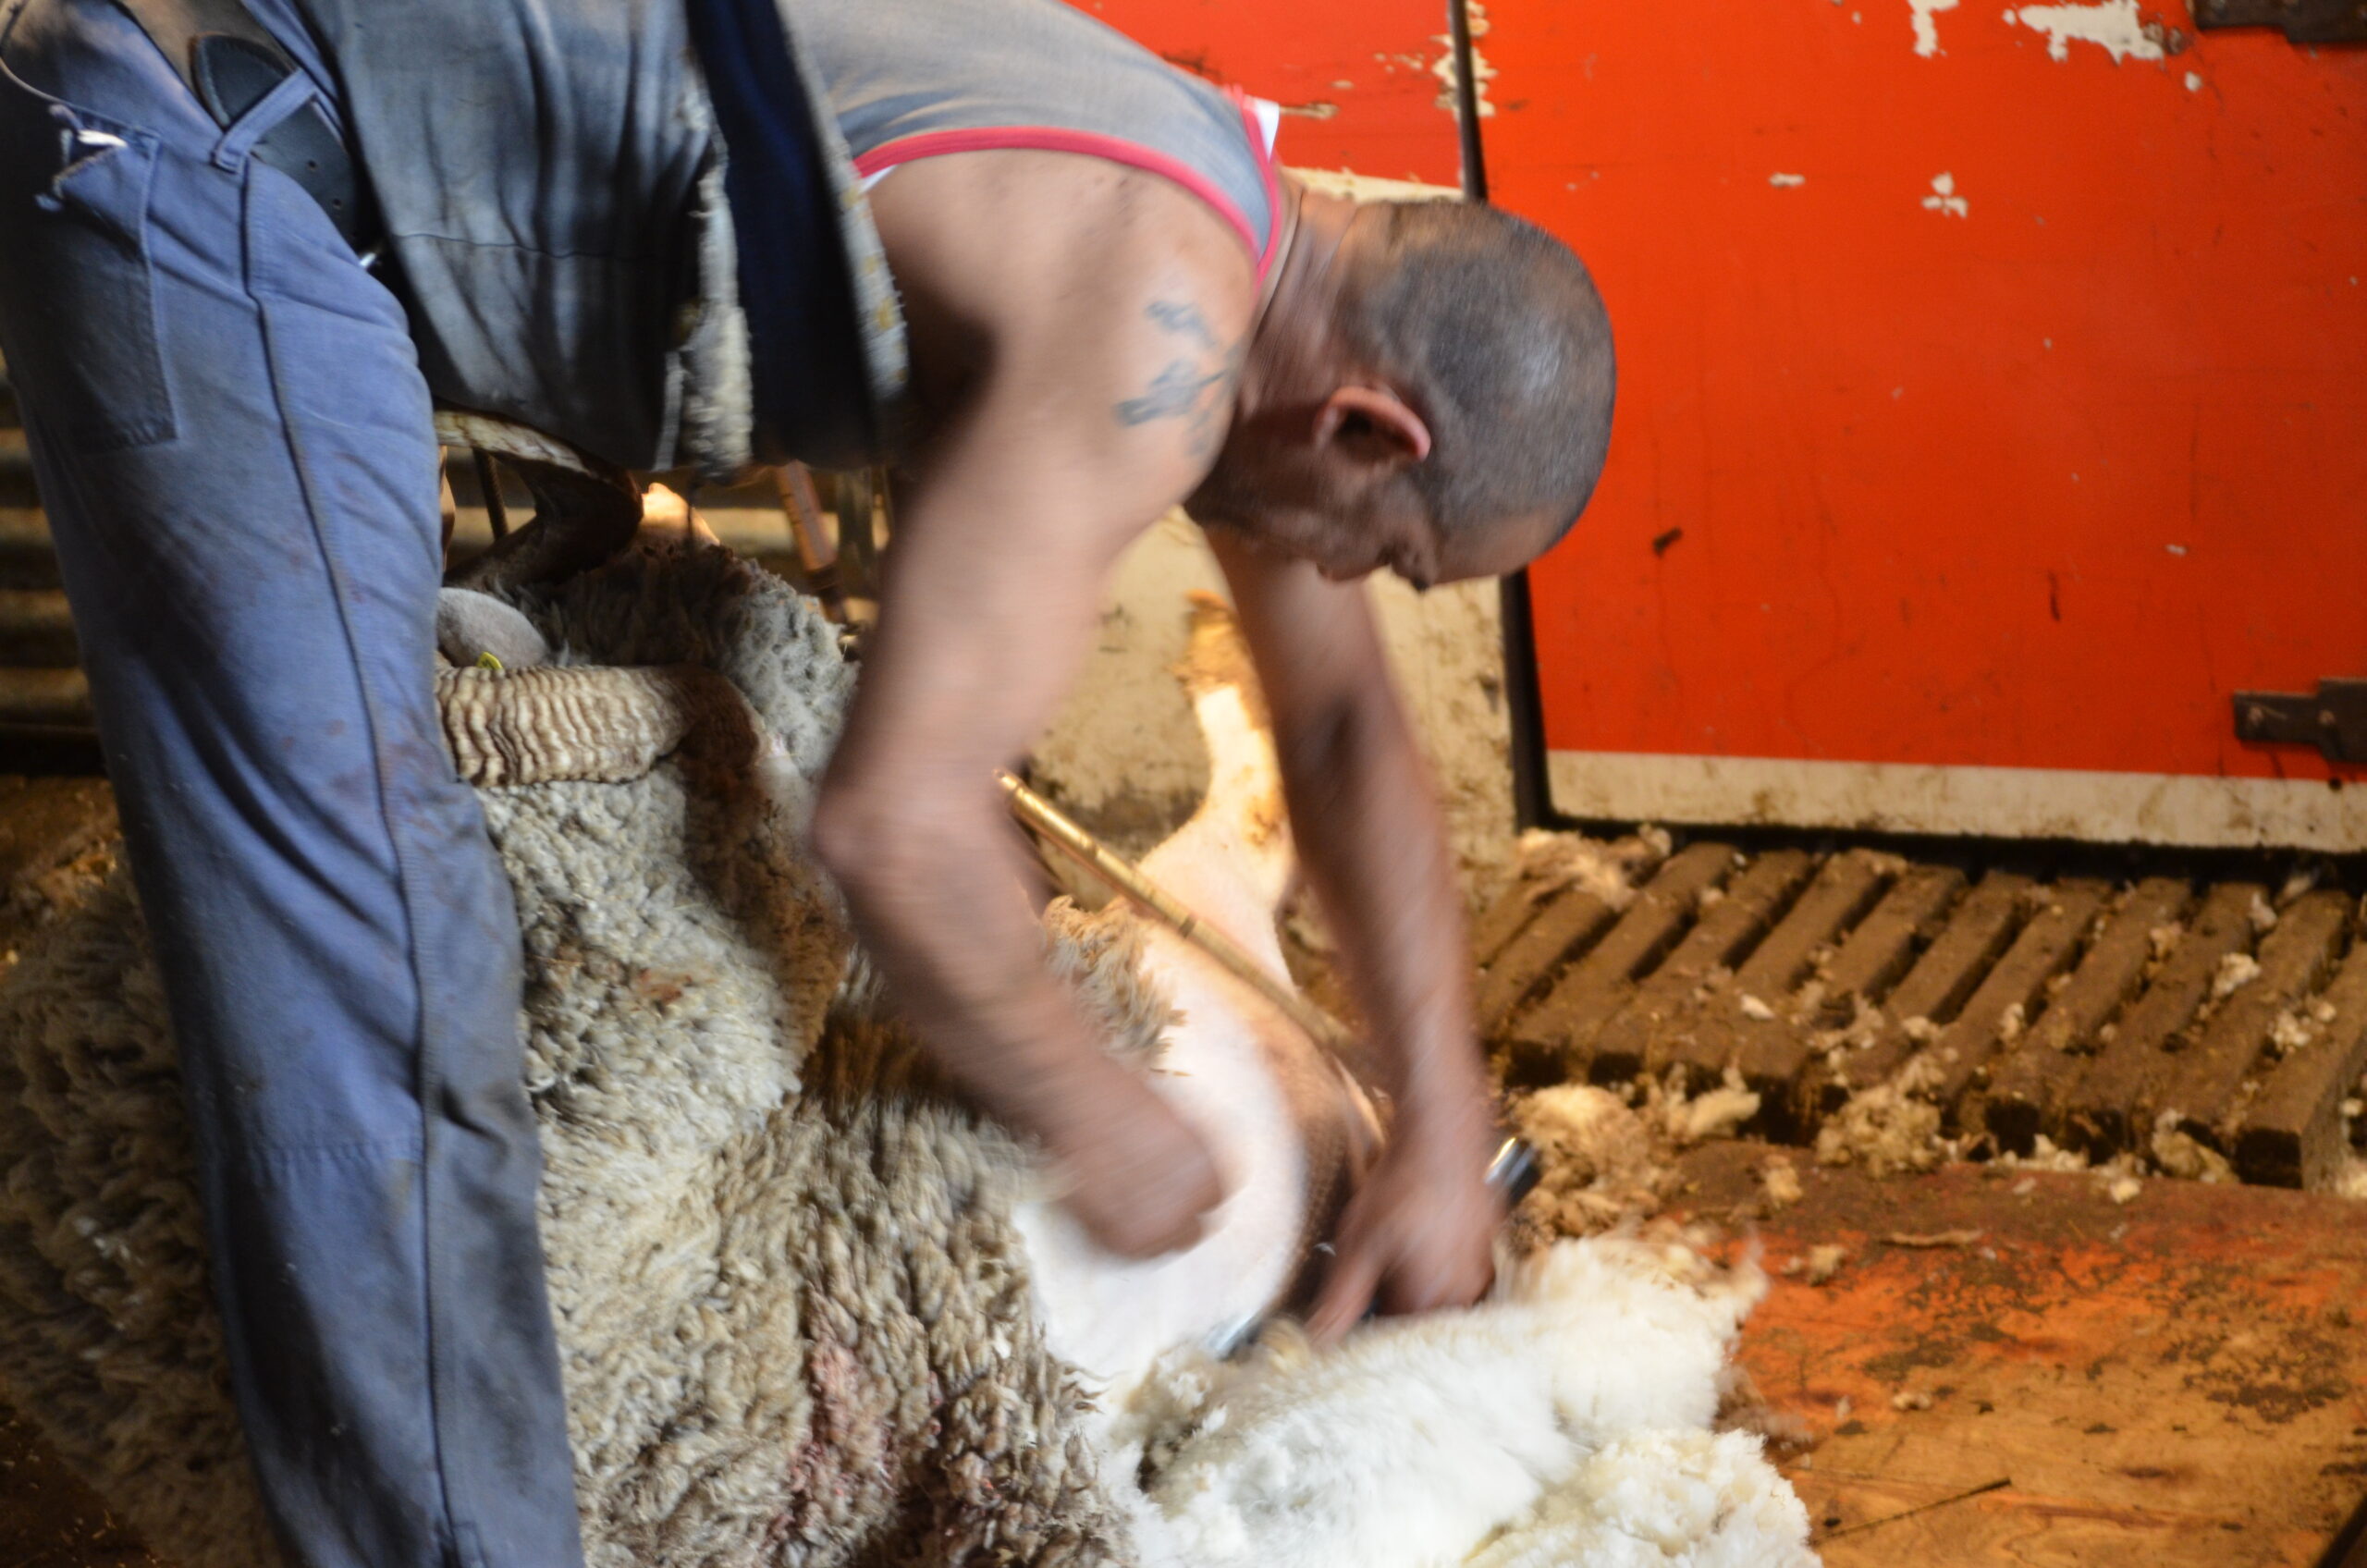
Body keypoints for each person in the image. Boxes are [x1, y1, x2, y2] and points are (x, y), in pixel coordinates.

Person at [0, 0, 1613, 1564]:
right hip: (210, 155)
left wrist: (1440, 1122)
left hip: (299, 137)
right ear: (1368, 429)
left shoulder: (1231, 217)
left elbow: (1338, 736)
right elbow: (890, 827)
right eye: (1388, 557)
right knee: (370, 952)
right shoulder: (1160, 332)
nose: (1349, 581)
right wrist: (1093, 1109)